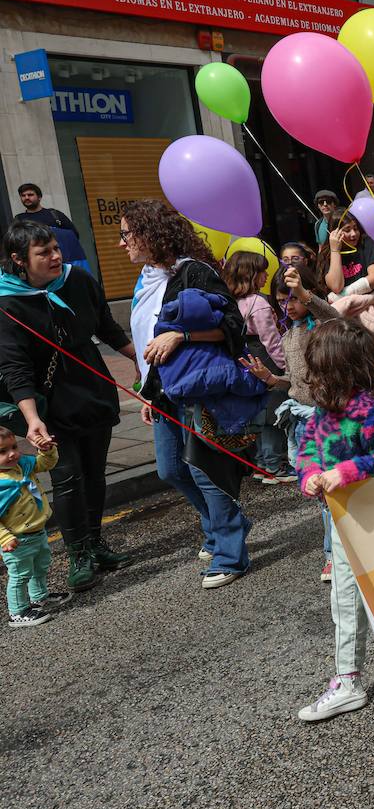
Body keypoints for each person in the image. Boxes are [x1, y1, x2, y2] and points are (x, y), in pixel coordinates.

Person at [0, 220, 137, 591]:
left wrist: (142, 361)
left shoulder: (77, 280)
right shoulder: (7, 301)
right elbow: (14, 367)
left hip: (92, 387)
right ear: (19, 259)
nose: (56, 256)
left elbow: (107, 327)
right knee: (67, 477)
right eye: (43, 253)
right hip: (52, 402)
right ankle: (78, 554)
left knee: (95, 474)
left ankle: (95, 543)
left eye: (56, 248)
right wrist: (31, 420)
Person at [124, 200, 254, 589]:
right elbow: (144, 337)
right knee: (171, 469)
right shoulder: (145, 279)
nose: (122, 243)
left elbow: (232, 326)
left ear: (152, 234)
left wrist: (183, 334)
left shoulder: (193, 272)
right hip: (162, 392)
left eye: (127, 234)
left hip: (195, 389)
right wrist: (146, 389)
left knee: (205, 468)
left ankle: (231, 553)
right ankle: (221, 526)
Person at [294, 318, 374, 721]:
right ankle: (348, 678)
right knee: (345, 601)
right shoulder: (323, 413)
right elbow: (306, 452)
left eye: (318, 368)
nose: (313, 377)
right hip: (342, 525)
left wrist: (346, 471)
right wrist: (308, 477)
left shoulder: (373, 412)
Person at [244, 264, 340, 581]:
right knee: (318, 490)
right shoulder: (288, 336)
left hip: (327, 419)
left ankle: (334, 556)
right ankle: (340, 549)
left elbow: (335, 317)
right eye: (283, 300)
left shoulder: (322, 329)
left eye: (293, 298)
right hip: (300, 419)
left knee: (329, 492)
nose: (290, 305)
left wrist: (306, 294)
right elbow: (296, 382)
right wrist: (272, 378)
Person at [223, 252, 291, 483]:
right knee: (274, 412)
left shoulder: (231, 301)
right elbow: (271, 340)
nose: (266, 276)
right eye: (262, 271)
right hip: (264, 359)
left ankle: (262, 463)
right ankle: (274, 465)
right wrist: (284, 367)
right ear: (251, 274)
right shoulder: (258, 303)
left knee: (258, 413)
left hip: (245, 359)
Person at [0, 426, 67, 627]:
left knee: (40, 565)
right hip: (17, 539)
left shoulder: (23, 465)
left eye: (13, 447)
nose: (12, 454)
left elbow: (46, 463)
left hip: (37, 531)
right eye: (2, 451)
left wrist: (46, 450)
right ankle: (17, 612)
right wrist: (4, 538)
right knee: (20, 575)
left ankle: (39, 597)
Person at [13, 183, 88, 273]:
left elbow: (73, 236)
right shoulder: (19, 219)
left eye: (30, 195)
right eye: (23, 196)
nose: (26, 198)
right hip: (37, 267)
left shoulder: (55, 215)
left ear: (39, 197)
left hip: (63, 263)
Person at [321, 206, 374, 297]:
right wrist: (335, 251)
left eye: (355, 228)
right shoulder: (326, 254)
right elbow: (336, 286)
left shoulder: (366, 242)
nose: (353, 234)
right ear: (334, 233)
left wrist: (346, 293)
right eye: (347, 230)